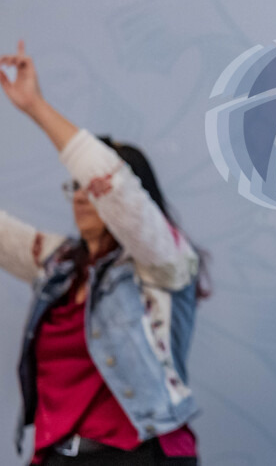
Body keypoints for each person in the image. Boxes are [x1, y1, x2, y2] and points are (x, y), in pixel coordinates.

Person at [0, 41, 202, 465]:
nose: (79, 196)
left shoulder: (161, 261)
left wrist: (35, 106)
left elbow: (111, 182)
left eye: (87, 188)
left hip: (137, 456)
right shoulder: (59, 264)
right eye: (72, 187)